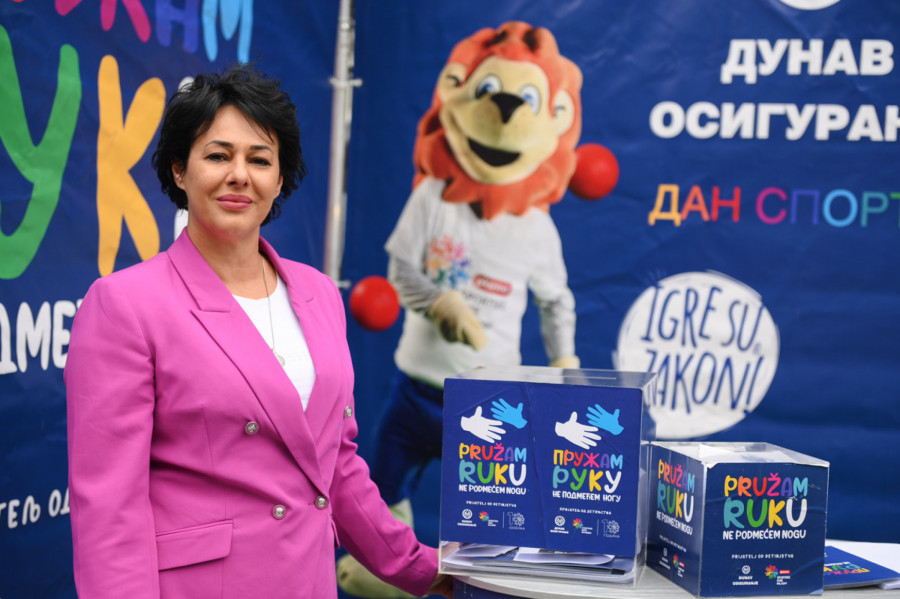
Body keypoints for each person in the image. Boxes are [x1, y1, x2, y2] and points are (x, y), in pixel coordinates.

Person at [65, 65, 451, 599]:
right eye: (218, 156)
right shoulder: (125, 305)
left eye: (260, 159)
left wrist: (425, 569)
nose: (239, 175)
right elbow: (109, 511)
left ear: (280, 178)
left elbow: (335, 467)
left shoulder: (319, 294)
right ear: (179, 170)